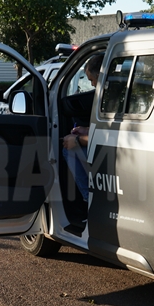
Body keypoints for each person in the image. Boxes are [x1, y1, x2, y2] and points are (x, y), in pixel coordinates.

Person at [62, 53, 104, 203]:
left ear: (100, 75)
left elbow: (109, 137)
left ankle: (89, 201)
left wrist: (78, 140)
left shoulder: (112, 98)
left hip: (113, 153)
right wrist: (86, 130)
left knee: (68, 149)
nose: (92, 85)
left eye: (92, 80)